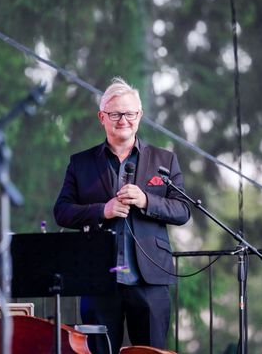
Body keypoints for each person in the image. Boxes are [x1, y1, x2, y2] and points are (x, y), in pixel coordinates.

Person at [53, 77, 191, 353]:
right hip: (98, 281)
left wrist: (146, 200)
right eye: (115, 114)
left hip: (150, 280)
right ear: (102, 117)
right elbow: (62, 211)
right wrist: (102, 210)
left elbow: (183, 210)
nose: (123, 120)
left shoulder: (164, 160)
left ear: (139, 115)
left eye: (129, 113)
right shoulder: (81, 163)